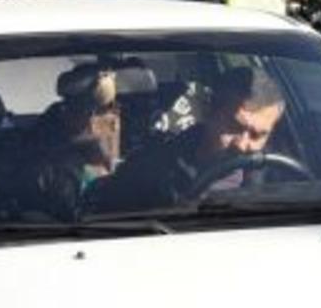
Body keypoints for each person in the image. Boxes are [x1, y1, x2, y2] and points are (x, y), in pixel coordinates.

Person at [88, 66, 286, 212]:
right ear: (208, 111)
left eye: (258, 135)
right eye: (234, 127)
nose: (243, 145)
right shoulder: (154, 165)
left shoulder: (284, 181)